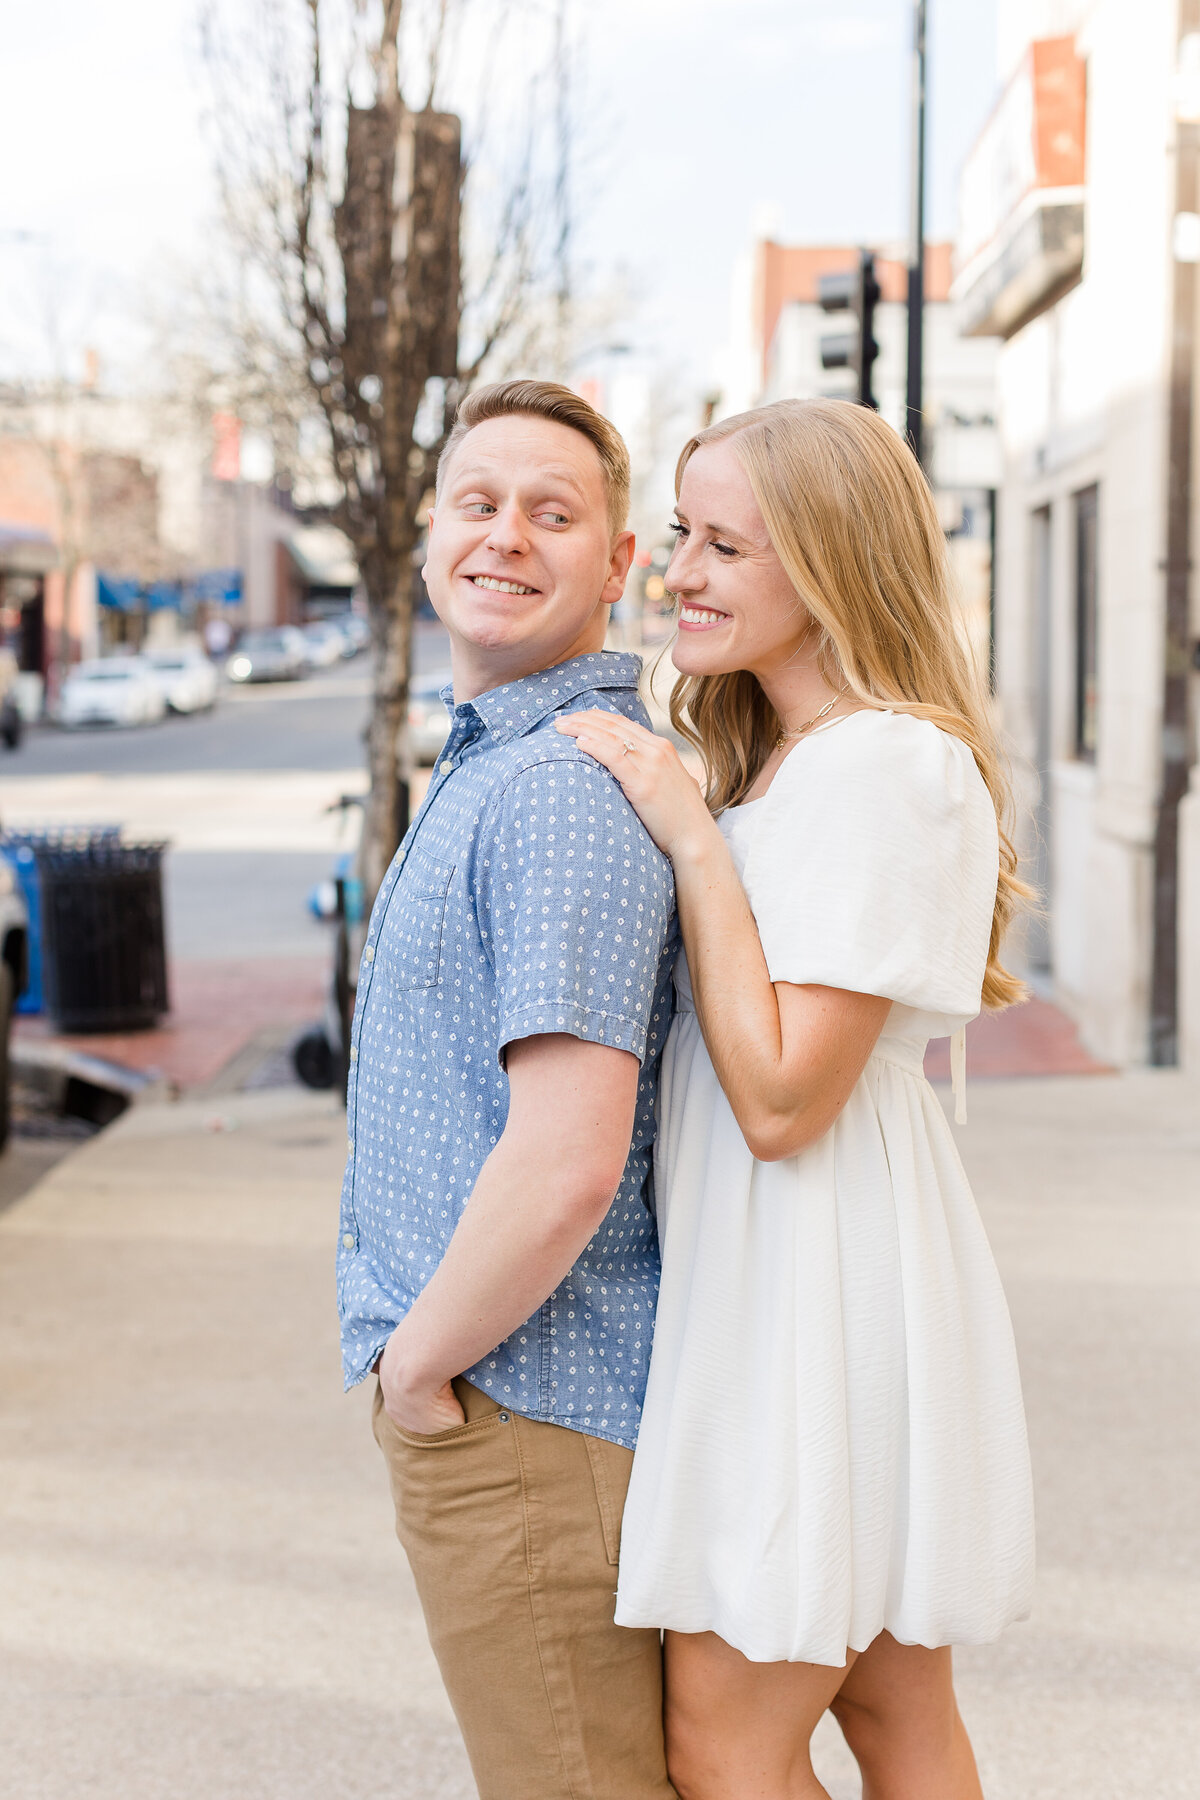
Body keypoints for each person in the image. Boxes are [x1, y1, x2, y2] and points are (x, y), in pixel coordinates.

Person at [557, 397, 1036, 1800]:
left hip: (808, 1285)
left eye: (726, 548)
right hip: (808, 1271)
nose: (681, 574)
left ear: (827, 563)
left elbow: (778, 1100)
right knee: (897, 1720)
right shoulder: (794, 763)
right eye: (684, 537)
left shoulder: (884, 766)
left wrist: (693, 842)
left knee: (724, 1747)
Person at [336, 380, 679, 1800]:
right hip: (506, 1400)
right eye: (479, 504)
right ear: (431, 536)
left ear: (619, 563)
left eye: (555, 512)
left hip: (525, 1408)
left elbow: (569, 1159)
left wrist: (421, 1369)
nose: (507, 537)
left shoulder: (554, 791)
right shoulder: (498, 764)